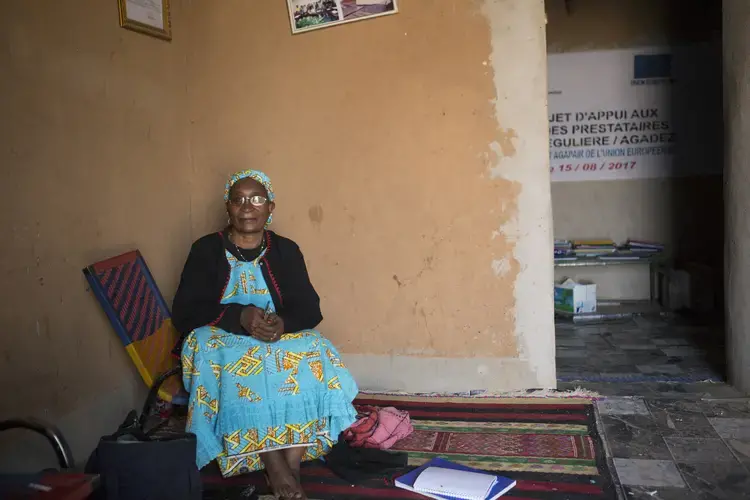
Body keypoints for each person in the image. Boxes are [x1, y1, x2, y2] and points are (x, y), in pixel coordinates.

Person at [172, 169, 358, 499]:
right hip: (223, 338)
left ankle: (291, 466)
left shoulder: (285, 250)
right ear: (227, 207)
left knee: (316, 348)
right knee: (210, 346)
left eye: (257, 199)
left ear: (270, 208)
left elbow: (309, 308)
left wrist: (282, 323)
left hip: (275, 335)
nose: (247, 206)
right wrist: (239, 315)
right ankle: (276, 466)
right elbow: (185, 311)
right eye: (239, 199)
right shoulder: (205, 249)